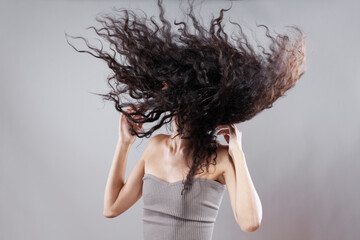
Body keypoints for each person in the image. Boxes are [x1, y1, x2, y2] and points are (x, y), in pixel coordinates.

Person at [66, 0, 306, 238]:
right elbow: (111, 207)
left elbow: (250, 222)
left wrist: (238, 154)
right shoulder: (155, 147)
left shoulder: (219, 159)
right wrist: (124, 144)